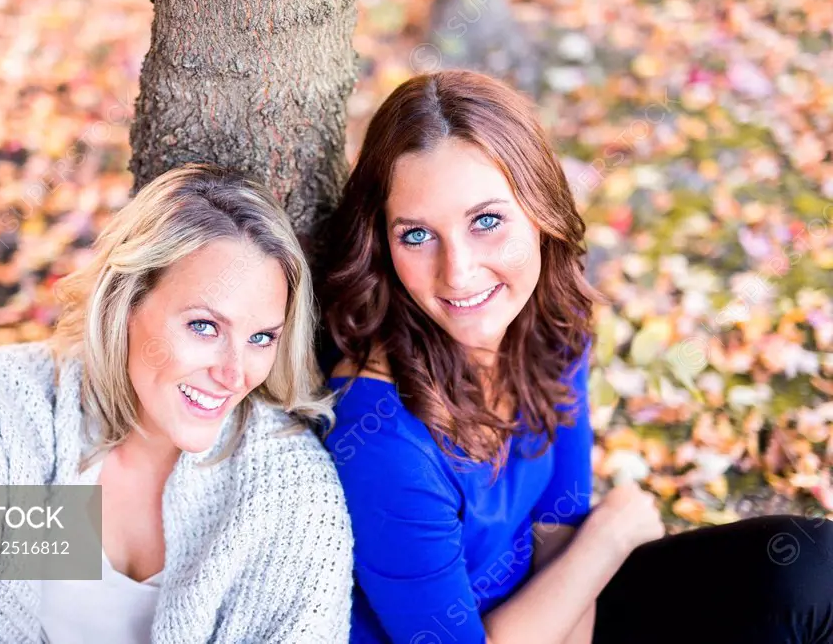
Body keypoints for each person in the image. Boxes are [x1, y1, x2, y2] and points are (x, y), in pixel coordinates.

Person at [317, 70, 833, 644]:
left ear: (539, 212)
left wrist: (591, 557)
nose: (457, 272)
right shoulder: (380, 440)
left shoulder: (552, 324)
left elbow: (561, 530)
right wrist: (611, 536)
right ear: (382, 243)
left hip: (558, 611)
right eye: (417, 235)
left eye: (486, 221)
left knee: (810, 570)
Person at [0, 164, 354, 643]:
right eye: (204, 326)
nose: (233, 373)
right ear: (127, 301)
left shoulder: (293, 494)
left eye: (261, 337)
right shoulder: (2, 398)